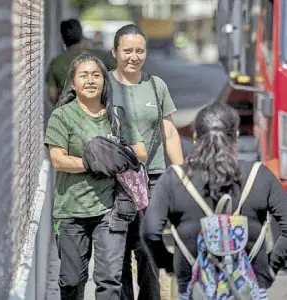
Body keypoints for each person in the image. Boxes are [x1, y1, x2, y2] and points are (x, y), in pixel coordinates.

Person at [141, 102, 287, 300]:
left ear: (194, 138)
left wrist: (169, 265)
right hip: (249, 288)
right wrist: (269, 269)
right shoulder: (259, 175)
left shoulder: (174, 179)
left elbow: (150, 231)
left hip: (195, 289)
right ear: (236, 137)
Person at [44, 53, 147, 300]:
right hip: (70, 211)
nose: (90, 80)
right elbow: (58, 161)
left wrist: (116, 156)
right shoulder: (62, 116)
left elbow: (140, 152)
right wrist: (94, 163)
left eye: (96, 75)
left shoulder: (118, 116)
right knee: (70, 282)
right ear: (74, 83)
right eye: (84, 75)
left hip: (110, 210)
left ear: (104, 80)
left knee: (109, 282)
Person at [109, 24, 184, 300]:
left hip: (151, 180)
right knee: (118, 250)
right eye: (127, 50)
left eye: (139, 51)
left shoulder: (156, 86)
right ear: (115, 52)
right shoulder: (103, 84)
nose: (133, 56)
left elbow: (170, 132)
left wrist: (181, 175)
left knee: (148, 246)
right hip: (111, 181)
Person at [46, 19, 116, 105]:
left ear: (63, 38)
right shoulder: (101, 56)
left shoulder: (56, 62)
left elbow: (52, 96)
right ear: (81, 35)